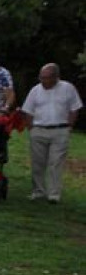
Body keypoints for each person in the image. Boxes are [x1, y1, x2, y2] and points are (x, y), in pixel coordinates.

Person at [20, 63, 82, 204]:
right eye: (42, 78)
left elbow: (74, 108)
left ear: (55, 77)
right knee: (38, 163)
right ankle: (38, 191)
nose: (44, 81)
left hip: (60, 129)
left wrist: (69, 126)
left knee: (56, 163)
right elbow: (28, 111)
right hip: (39, 129)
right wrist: (31, 129)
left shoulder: (68, 88)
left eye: (47, 78)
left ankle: (54, 194)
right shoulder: (35, 90)